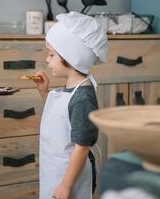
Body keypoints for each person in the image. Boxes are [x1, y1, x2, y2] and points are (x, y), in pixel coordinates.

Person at [33, 12, 107, 199]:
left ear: (70, 57)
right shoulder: (71, 89)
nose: (47, 60)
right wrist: (44, 91)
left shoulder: (82, 98)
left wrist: (66, 186)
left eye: (51, 54)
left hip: (70, 178)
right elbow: (61, 120)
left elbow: (81, 148)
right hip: (55, 171)